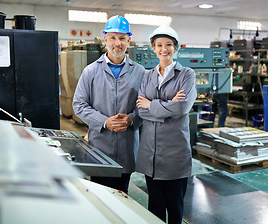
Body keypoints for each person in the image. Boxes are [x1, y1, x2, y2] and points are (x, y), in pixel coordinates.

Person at [72, 15, 145, 194]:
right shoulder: (90, 71)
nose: (117, 43)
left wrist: (131, 119)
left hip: (127, 147)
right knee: (100, 196)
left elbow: (145, 106)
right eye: (112, 37)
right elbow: (79, 104)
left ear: (129, 39)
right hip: (100, 147)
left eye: (122, 38)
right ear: (105, 39)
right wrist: (105, 122)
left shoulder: (140, 72)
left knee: (122, 195)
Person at [136, 25, 197, 224]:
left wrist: (151, 104)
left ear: (175, 47)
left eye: (169, 44)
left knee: (175, 208)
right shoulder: (147, 76)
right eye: (159, 45)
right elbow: (140, 110)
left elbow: (182, 109)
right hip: (150, 153)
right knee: (154, 208)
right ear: (153, 48)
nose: (164, 49)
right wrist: (168, 106)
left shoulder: (186, 74)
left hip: (174, 153)